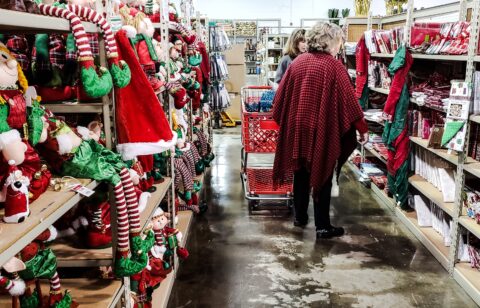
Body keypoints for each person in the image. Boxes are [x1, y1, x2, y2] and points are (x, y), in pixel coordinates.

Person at [272, 22, 369, 240]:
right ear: (330, 41)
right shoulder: (334, 67)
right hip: (322, 128)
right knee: (322, 173)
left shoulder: (297, 63)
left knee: (301, 171)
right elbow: (350, 104)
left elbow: (279, 99)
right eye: (338, 42)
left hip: (298, 127)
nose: (339, 47)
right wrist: (362, 129)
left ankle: (300, 217)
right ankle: (323, 226)